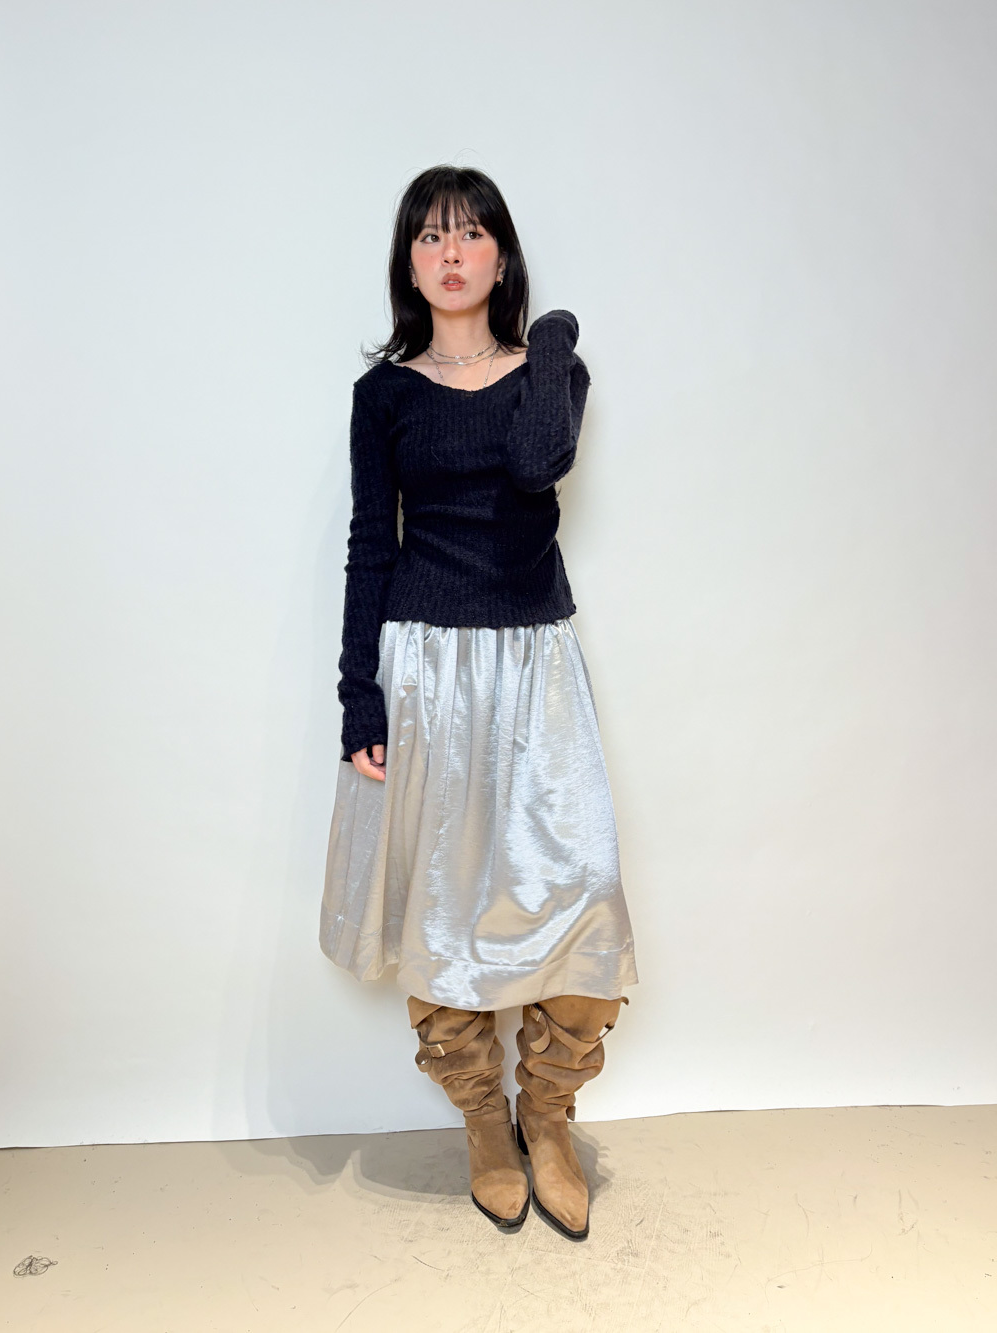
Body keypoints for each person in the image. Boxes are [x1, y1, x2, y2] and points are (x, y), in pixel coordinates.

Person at [319, 164, 638, 1241]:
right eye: (429, 236)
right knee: (441, 900)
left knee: (581, 888)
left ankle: (547, 1113)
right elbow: (371, 544)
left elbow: (538, 461)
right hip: (425, 669)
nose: (450, 253)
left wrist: (547, 337)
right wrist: (359, 697)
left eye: (470, 233)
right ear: (407, 262)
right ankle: (483, 1122)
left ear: (501, 254)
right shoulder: (384, 396)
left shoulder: (551, 372)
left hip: (536, 663)